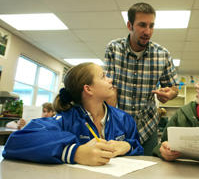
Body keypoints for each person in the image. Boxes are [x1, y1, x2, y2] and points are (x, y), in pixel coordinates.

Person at [3, 63, 143, 165]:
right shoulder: (65, 119)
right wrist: (75, 152)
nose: (110, 79)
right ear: (88, 89)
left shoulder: (125, 119)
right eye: (103, 76)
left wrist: (128, 146)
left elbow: (139, 149)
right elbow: (15, 143)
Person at [104, 2, 178, 155]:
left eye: (151, 26)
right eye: (142, 25)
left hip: (148, 126)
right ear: (129, 25)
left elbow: (173, 88)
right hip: (119, 124)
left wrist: (169, 94)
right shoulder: (114, 48)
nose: (148, 31)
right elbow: (110, 89)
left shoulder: (162, 54)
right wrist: (112, 122)